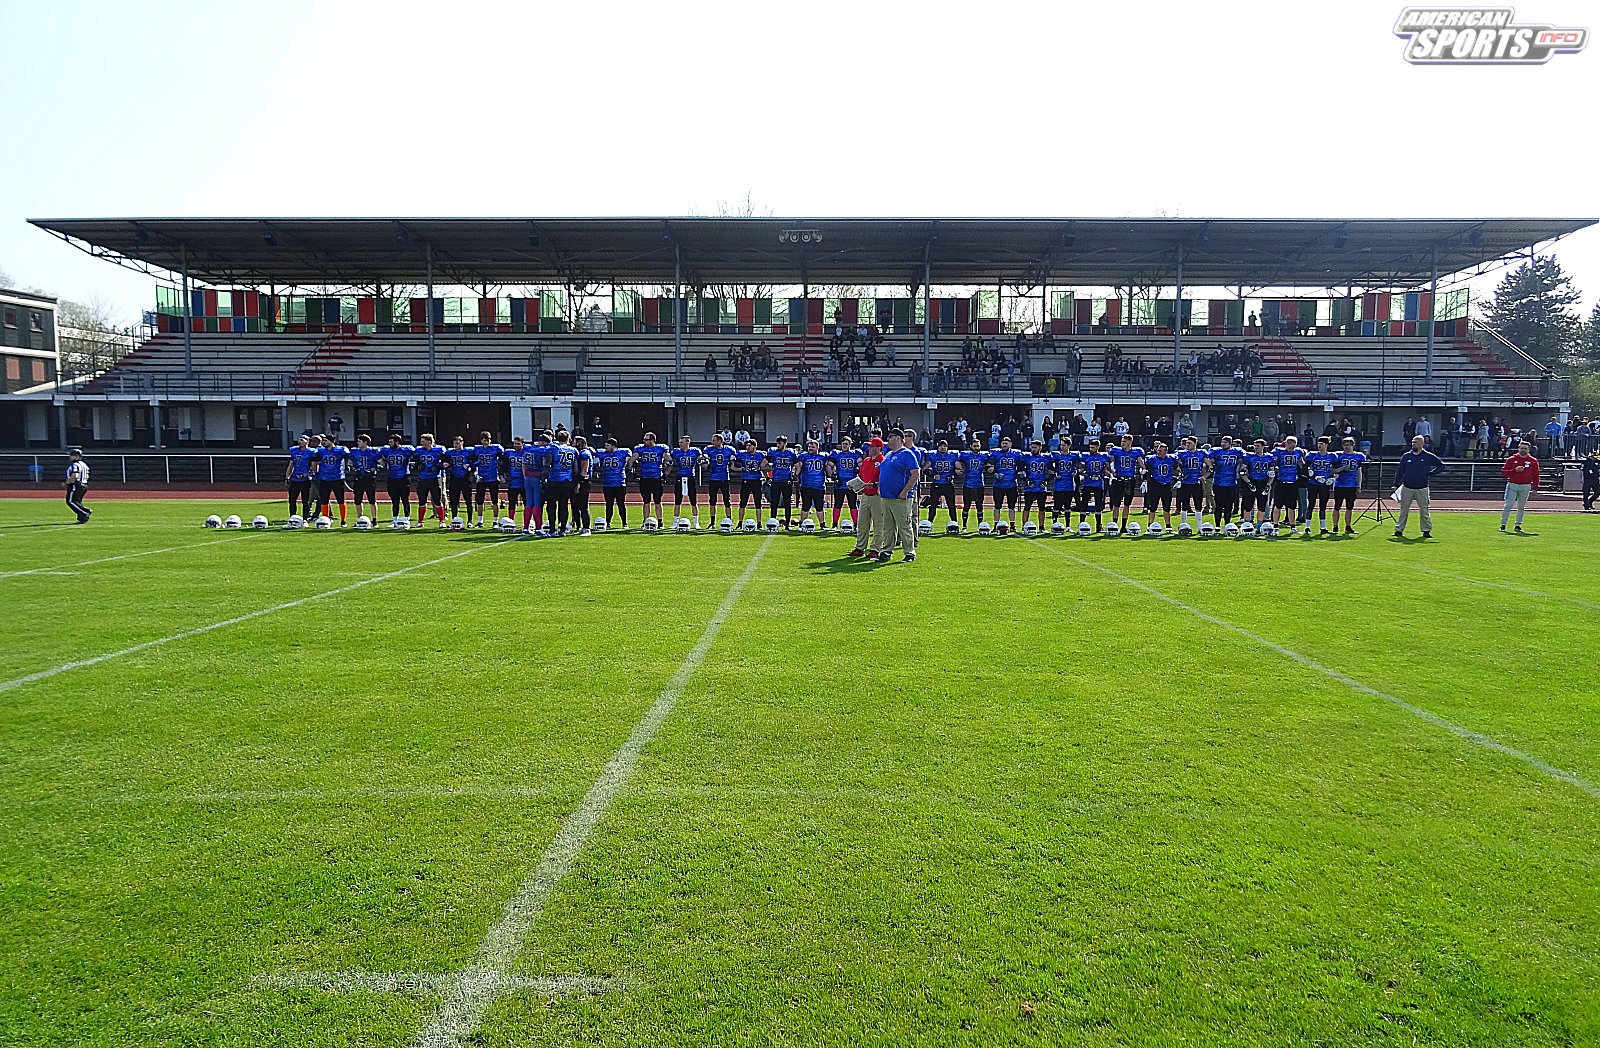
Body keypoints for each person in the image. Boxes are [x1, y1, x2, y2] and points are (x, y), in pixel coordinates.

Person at [870, 430, 921, 562]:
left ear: (898, 438)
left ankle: (909, 552)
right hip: (886, 496)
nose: (888, 440)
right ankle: (886, 551)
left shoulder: (907, 454)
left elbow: (915, 474)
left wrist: (905, 491)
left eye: (890, 437)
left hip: (900, 497)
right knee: (888, 526)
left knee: (904, 525)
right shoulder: (888, 454)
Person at [1393, 434, 1446, 539]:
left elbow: (1441, 465)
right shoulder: (1406, 456)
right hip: (1407, 487)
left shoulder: (1428, 456)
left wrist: (1431, 473)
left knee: (1424, 510)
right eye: (1412, 442)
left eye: (1415, 442)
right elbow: (1400, 471)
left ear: (1422, 443)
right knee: (1403, 510)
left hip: (1422, 487)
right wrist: (1395, 484)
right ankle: (1399, 530)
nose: (1413, 444)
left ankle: (1426, 530)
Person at [848, 438, 884, 556]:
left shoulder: (883, 462)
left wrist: (874, 484)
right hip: (865, 495)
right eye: (870, 446)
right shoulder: (867, 461)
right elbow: (861, 477)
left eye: (873, 446)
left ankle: (875, 548)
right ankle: (860, 547)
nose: (870, 449)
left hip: (877, 496)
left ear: (879, 448)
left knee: (878, 524)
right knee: (862, 522)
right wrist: (854, 485)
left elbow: (885, 480)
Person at [630, 432, 671, 524]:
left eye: (646, 439)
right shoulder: (640, 449)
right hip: (645, 477)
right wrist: (632, 471)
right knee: (646, 501)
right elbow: (631, 460)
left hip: (656, 477)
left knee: (658, 501)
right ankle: (645, 521)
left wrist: (665, 474)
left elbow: (670, 461)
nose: (644, 441)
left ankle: (660, 521)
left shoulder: (661, 448)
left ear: (652, 440)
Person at [1500, 440, 1540, 533]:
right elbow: (1504, 472)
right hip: (1512, 484)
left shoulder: (1533, 461)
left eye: (1525, 448)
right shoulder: (1511, 459)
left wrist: (1535, 488)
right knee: (1508, 505)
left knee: (1521, 507)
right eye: (1521, 448)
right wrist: (1514, 470)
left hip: (1526, 485)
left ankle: (1518, 525)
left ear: (1529, 450)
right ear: (1518, 448)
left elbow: (1536, 475)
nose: (1523, 450)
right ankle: (1503, 524)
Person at [1106, 434, 1145, 530]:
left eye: (1124, 441)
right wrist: (1110, 470)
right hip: (1119, 480)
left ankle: (1123, 526)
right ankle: (1114, 524)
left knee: (1127, 504)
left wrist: (1144, 471)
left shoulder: (1136, 451)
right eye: (1122, 441)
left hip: (1130, 480)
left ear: (1130, 442)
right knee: (1116, 504)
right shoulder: (1116, 451)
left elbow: (1141, 464)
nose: (1122, 443)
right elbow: (1108, 461)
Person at [311, 433, 350, 525]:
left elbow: (349, 457)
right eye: (323, 440)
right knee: (324, 500)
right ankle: (325, 519)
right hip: (324, 478)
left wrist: (348, 465)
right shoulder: (320, 450)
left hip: (337, 478)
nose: (323, 442)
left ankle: (343, 521)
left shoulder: (341, 449)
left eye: (326, 440)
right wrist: (314, 469)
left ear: (332, 441)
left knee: (340, 500)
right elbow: (314, 459)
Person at [410, 433, 448, 527]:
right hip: (423, 478)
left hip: (434, 478)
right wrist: (418, 465)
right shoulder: (419, 450)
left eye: (423, 441)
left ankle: (442, 521)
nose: (421, 443)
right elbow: (414, 461)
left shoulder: (438, 450)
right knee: (422, 501)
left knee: (437, 500)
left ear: (429, 441)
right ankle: (420, 522)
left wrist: (438, 467)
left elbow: (447, 462)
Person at [1270, 435, 1307, 530]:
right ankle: (1275, 526)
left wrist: (1304, 467)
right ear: (1286, 444)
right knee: (1278, 505)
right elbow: (1271, 462)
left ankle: (1293, 526)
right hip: (1281, 481)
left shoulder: (1299, 452)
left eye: (1293, 445)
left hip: (1293, 481)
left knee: (1292, 506)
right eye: (1290, 444)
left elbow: (1302, 463)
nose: (1291, 447)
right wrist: (1275, 467)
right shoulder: (1278, 451)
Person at [593, 437, 631, 530]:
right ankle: (608, 522)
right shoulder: (602, 453)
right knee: (609, 504)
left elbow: (630, 457)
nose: (606, 447)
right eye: (605, 445)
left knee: (621, 504)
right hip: (607, 482)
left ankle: (624, 523)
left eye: (608, 445)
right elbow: (594, 459)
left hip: (619, 482)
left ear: (614, 446)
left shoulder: (622, 452)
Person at [1208, 436, 1245, 528]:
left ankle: (1227, 524)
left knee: (1229, 505)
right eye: (1222, 442)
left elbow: (1244, 459)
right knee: (1219, 505)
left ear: (1230, 443)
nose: (1223, 444)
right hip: (1218, 482)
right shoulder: (1217, 451)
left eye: (1225, 442)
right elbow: (1209, 461)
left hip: (1231, 482)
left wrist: (1241, 469)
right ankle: (1217, 525)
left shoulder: (1237, 451)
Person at [1332, 436, 1366, 535]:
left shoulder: (1358, 456)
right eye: (1345, 445)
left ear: (1353, 445)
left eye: (1349, 445)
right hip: (1339, 484)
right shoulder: (1338, 455)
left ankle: (1348, 526)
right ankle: (1335, 526)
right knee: (1337, 506)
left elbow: (1359, 472)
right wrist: (1341, 469)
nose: (1347, 447)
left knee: (1349, 507)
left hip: (1352, 485)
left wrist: (1359, 486)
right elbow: (1333, 470)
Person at [546, 431, 579, 535]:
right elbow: (575, 469)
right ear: (567, 438)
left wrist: (544, 477)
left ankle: (552, 530)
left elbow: (548, 463)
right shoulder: (573, 450)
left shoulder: (552, 448)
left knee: (551, 505)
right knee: (563, 505)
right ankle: (563, 529)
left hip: (554, 479)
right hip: (567, 480)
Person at [988, 437, 1024, 531]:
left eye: (1006, 443)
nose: (1004, 445)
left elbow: (1021, 465)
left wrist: (1020, 472)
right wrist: (994, 473)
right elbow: (988, 466)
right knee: (997, 506)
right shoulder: (996, 453)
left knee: (1012, 506)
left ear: (1010, 444)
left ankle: (1012, 525)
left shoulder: (1016, 454)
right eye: (1003, 443)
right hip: (998, 484)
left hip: (1011, 484)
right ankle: (995, 525)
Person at [1304, 436, 1339, 534]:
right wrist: (1314, 476)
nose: (1319, 445)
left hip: (1325, 484)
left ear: (1326, 445)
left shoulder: (1332, 456)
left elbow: (1337, 470)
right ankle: (1307, 527)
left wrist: (1333, 478)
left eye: (1322, 443)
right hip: (1313, 483)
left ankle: (1323, 527)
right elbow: (1305, 468)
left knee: (1323, 506)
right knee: (1311, 504)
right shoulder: (1312, 455)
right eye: (1318, 443)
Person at [522, 431, 554, 534]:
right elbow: (545, 463)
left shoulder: (527, 448)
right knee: (537, 503)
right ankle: (538, 528)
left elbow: (523, 463)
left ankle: (525, 527)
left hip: (527, 477)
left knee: (528, 503)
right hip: (537, 477)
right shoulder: (543, 450)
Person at [669, 434, 704, 528]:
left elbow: (701, 458)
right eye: (679, 442)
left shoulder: (695, 451)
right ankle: (675, 522)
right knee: (677, 501)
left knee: (693, 501)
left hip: (690, 477)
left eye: (682, 442)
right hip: (680, 477)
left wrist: (702, 460)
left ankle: (696, 522)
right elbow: (669, 458)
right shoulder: (676, 451)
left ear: (688, 442)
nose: (680, 444)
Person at [828, 435, 863, 530]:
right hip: (840, 483)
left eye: (846, 444)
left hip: (851, 483)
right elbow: (829, 465)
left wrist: (859, 473)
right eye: (843, 444)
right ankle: (834, 525)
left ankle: (856, 524)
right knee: (837, 504)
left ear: (850, 445)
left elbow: (861, 465)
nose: (844, 445)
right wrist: (832, 476)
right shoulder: (836, 453)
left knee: (853, 504)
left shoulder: (855, 453)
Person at [378, 434, 415, 523]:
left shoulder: (406, 449)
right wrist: (381, 461)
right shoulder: (386, 450)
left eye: (391, 442)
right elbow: (376, 453)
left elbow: (416, 453)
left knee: (405, 499)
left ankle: (407, 517)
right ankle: (395, 518)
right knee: (394, 499)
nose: (389, 444)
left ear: (397, 442)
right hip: (392, 477)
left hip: (404, 477)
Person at [794, 439, 830, 529]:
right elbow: (798, 467)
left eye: (813, 447)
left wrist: (831, 475)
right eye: (809, 446)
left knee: (819, 506)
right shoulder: (803, 456)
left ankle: (822, 524)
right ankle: (802, 523)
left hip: (819, 485)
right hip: (806, 484)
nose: (810, 448)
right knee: (805, 505)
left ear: (818, 447)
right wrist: (795, 475)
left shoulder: (823, 456)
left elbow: (827, 467)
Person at [765, 435, 799, 529]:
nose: (778, 445)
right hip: (776, 480)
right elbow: (763, 464)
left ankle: (787, 524)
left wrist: (795, 474)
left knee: (787, 503)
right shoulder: (773, 452)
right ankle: (772, 522)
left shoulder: (791, 452)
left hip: (786, 480)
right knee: (774, 503)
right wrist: (768, 473)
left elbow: (798, 465)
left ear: (785, 443)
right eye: (777, 443)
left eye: (780, 443)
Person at [1142, 441, 1177, 531]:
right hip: (1155, 485)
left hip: (1166, 485)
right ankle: (1149, 526)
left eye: (1161, 451)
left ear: (1166, 451)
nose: (1159, 452)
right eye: (1158, 450)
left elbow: (1177, 468)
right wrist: (1145, 479)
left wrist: (1179, 478)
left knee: (1167, 507)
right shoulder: (1151, 459)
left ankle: (1168, 526)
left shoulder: (1171, 458)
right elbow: (1145, 468)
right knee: (1152, 507)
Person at [924, 439, 960, 526]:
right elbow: (924, 469)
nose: (943, 447)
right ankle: (929, 523)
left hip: (948, 484)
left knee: (951, 505)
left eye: (945, 446)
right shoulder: (932, 455)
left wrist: (954, 475)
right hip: (936, 484)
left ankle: (954, 523)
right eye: (941, 446)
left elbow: (960, 470)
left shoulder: (953, 455)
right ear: (938, 447)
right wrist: (932, 474)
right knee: (933, 505)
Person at [1173, 436, 1206, 531]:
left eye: (1190, 443)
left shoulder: (1201, 453)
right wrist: (1179, 471)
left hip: (1196, 481)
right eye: (1186, 443)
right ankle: (1183, 524)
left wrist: (1204, 476)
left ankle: (1199, 526)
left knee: (1198, 505)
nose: (1187, 445)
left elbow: (1210, 465)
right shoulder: (1182, 453)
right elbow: (1174, 463)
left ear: (1195, 444)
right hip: (1186, 481)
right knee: (1184, 504)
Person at [347, 434, 381, 523]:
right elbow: (350, 463)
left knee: (372, 499)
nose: (358, 443)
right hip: (359, 477)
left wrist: (374, 469)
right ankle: (359, 519)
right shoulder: (354, 451)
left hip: (370, 478)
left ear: (365, 442)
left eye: (360, 441)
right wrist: (353, 468)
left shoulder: (373, 451)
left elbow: (381, 463)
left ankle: (374, 520)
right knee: (358, 500)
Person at [704, 433, 737, 522]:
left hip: (724, 478)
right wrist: (706, 464)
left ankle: (729, 520)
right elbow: (704, 462)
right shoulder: (709, 449)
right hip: (713, 478)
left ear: (720, 441)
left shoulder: (729, 450)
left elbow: (733, 461)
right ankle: (712, 522)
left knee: (727, 501)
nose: (712, 442)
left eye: (714, 440)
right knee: (712, 501)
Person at [443, 436, 476, 526]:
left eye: (457, 443)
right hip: (454, 478)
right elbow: (444, 459)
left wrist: (470, 465)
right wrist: (445, 463)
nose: (455, 445)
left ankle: (470, 521)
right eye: (454, 443)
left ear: (462, 443)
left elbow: (476, 460)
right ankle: (454, 520)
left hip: (465, 478)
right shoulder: (450, 452)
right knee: (454, 501)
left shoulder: (468, 451)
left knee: (468, 500)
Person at [1077, 438, 1110, 530]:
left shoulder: (1103, 456)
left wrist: (1107, 471)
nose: (1091, 449)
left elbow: (1108, 468)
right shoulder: (1086, 456)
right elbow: (1080, 467)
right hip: (1087, 482)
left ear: (1098, 447)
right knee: (1084, 504)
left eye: (1093, 447)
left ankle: (1098, 525)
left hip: (1098, 483)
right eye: (1090, 447)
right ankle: (1081, 524)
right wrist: (1082, 472)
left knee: (1098, 505)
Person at [1021, 439, 1053, 531]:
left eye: (1035, 447)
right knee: (1027, 507)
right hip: (1030, 486)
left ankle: (1041, 526)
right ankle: (1024, 526)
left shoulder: (1045, 458)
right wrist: (1026, 480)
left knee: (1042, 507)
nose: (1033, 449)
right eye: (1032, 447)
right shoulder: (1027, 457)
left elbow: (1052, 471)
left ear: (1040, 447)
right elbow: (1020, 469)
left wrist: (1046, 481)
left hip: (1041, 487)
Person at [1241, 439, 1275, 526]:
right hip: (1251, 481)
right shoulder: (1249, 456)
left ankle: (1259, 526)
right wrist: (1249, 483)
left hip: (1263, 482)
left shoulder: (1269, 457)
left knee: (1262, 506)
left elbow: (1272, 474)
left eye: (1258, 446)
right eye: (1255, 446)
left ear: (1263, 447)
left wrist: (1268, 485)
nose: (1256, 448)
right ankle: (1247, 525)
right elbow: (1241, 471)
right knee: (1248, 506)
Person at [958, 437, 988, 531]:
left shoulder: (984, 455)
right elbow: (956, 459)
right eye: (974, 446)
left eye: (977, 446)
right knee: (966, 505)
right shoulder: (965, 455)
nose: (976, 447)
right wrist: (959, 468)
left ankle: (980, 526)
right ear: (970, 446)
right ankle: (964, 526)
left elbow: (992, 461)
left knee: (979, 506)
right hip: (968, 484)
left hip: (979, 484)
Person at [735, 439, 766, 528]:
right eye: (747, 446)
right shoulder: (742, 454)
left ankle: (759, 523)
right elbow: (733, 461)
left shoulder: (760, 455)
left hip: (756, 480)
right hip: (746, 480)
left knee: (758, 503)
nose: (747, 447)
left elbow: (768, 463)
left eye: (750, 445)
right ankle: (740, 523)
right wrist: (740, 468)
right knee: (743, 502)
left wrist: (761, 468)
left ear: (755, 446)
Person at [285, 434, 317, 520]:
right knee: (292, 500)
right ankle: (292, 518)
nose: (300, 441)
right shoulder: (294, 450)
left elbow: (313, 467)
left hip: (306, 480)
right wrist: (287, 477)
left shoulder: (311, 452)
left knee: (305, 501)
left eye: (302, 440)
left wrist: (305, 475)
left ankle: (305, 519)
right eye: (299, 440)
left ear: (307, 442)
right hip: (295, 479)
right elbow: (291, 465)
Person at [1049, 440, 1079, 526]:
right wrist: (1054, 472)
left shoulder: (1074, 455)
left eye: (1064, 445)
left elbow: (1081, 465)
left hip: (1069, 483)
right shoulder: (1056, 455)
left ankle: (1068, 526)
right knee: (1056, 505)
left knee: (1067, 506)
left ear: (1069, 446)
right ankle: (1054, 524)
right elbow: (1048, 465)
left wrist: (1076, 470)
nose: (1062, 447)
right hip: (1059, 484)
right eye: (1061, 445)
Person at [504, 435, 530, 525]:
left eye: (518, 444)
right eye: (515, 443)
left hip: (524, 482)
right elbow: (504, 465)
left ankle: (527, 522)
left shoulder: (526, 453)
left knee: (526, 503)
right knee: (512, 503)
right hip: (513, 482)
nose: (516, 445)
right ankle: (511, 521)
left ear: (523, 444)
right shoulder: (509, 453)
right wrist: (504, 475)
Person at [64, 448, 91, 524]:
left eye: (72, 455)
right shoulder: (84, 464)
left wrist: (67, 483)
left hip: (76, 485)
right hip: (84, 484)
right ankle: (81, 518)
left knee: (70, 501)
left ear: (77, 456)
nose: (70, 457)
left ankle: (84, 512)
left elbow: (75, 475)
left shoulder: (75, 465)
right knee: (77, 501)